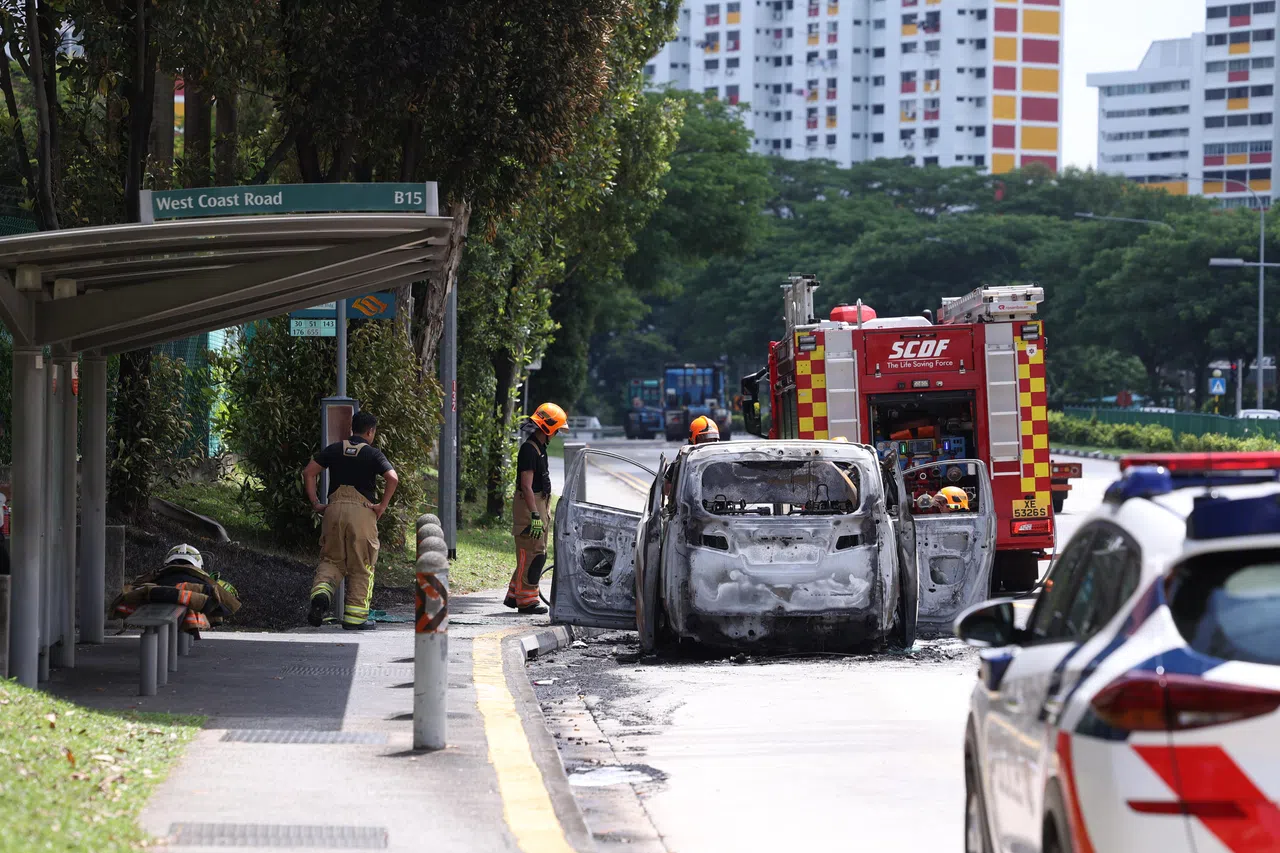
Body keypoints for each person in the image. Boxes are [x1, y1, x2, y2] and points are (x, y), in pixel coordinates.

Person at [302, 410, 399, 630]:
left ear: (351, 429)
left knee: (331, 561)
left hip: (333, 510)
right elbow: (392, 478)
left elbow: (309, 472)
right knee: (361, 565)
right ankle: (355, 619)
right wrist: (382, 506)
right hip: (362, 512)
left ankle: (321, 595)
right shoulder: (373, 454)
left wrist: (316, 503)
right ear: (370, 431)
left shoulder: (335, 449)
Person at [505, 402, 567, 613]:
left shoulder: (539, 448)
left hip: (540, 502)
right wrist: (534, 514)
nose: (558, 433)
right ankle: (527, 600)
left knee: (532, 551)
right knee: (533, 553)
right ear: (548, 428)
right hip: (530, 504)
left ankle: (515, 593)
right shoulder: (529, 450)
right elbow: (526, 485)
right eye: (557, 429)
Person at [111, 544, 241, 635]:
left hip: (155, 594)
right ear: (198, 565)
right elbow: (229, 605)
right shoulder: (203, 580)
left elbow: (133, 587)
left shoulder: (159, 574)